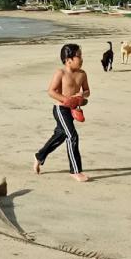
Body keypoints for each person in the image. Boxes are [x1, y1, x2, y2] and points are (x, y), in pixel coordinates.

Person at [33, 43, 90, 182]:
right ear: (68, 59)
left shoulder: (82, 74)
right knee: (72, 135)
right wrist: (66, 100)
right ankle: (75, 171)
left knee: (60, 135)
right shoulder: (61, 73)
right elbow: (51, 91)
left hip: (73, 109)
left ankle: (39, 156)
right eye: (79, 56)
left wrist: (82, 96)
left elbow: (87, 91)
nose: (81, 59)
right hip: (60, 109)